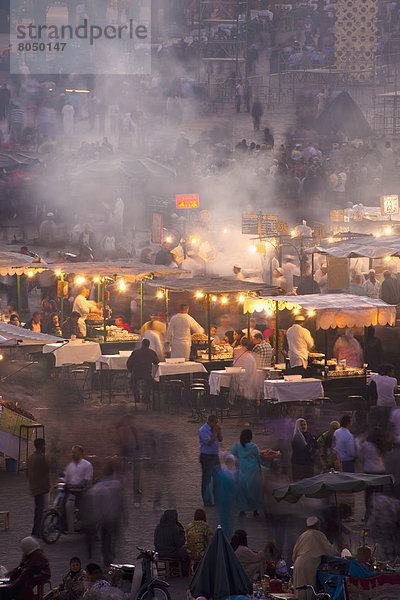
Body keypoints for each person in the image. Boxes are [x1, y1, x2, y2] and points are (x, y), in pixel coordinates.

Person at [232, 429, 279, 517]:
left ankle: (242, 509)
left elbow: (234, 456)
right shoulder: (254, 446)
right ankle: (255, 510)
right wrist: (270, 462)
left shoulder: (238, 446)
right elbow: (259, 458)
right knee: (255, 490)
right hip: (254, 472)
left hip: (242, 471)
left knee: (243, 491)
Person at [292, 516, 335, 600]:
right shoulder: (318, 534)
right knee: (309, 590)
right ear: (316, 525)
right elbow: (329, 550)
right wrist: (339, 554)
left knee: (299, 590)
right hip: (309, 565)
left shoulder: (302, 535)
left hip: (297, 564)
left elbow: (294, 554)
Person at [360, 427, 387, 521]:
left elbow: (360, 455)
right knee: (380, 495)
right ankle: (380, 514)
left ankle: (368, 515)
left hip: (369, 472)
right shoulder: (382, 446)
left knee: (368, 495)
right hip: (381, 471)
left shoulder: (367, 445)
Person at [64, 445, 93, 533]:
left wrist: (79, 485)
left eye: (75, 453)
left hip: (82, 492)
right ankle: (69, 526)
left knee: (81, 509)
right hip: (71, 491)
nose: (72, 454)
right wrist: (60, 480)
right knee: (65, 505)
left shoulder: (87, 465)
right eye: (72, 452)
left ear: (80, 453)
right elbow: (66, 477)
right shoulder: (70, 465)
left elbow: (86, 480)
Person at [27, 438, 51, 538]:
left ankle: (35, 530)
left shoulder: (31, 457)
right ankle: (39, 531)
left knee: (38, 510)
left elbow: (27, 473)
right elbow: (47, 470)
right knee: (42, 511)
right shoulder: (41, 458)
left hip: (34, 488)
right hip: (42, 488)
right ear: (42, 446)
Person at [198, 414, 222, 507]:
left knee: (218, 478)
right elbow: (209, 443)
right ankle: (207, 500)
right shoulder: (203, 430)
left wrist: (219, 432)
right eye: (215, 423)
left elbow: (220, 439)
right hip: (206, 456)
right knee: (206, 480)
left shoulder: (214, 429)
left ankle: (217, 499)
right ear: (210, 421)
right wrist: (215, 432)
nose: (216, 424)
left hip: (215, 456)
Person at [126, 338, 159, 406]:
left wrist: (131, 371)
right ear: (149, 345)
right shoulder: (152, 352)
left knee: (132, 383)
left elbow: (129, 363)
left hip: (136, 374)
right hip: (147, 374)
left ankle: (137, 397)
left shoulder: (135, 352)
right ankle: (145, 398)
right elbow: (157, 362)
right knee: (149, 384)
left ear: (142, 344)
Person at [213, 453, 238, 538]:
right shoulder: (223, 473)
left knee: (229, 519)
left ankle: (227, 535)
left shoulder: (235, 473)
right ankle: (226, 535)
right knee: (225, 520)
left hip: (229, 500)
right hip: (224, 500)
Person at [369, 363, 397, 429]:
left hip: (381, 404)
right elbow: (395, 390)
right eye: (392, 371)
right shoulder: (394, 380)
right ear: (388, 372)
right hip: (392, 404)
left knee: (383, 422)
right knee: (391, 423)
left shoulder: (377, 378)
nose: (393, 373)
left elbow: (370, 374)